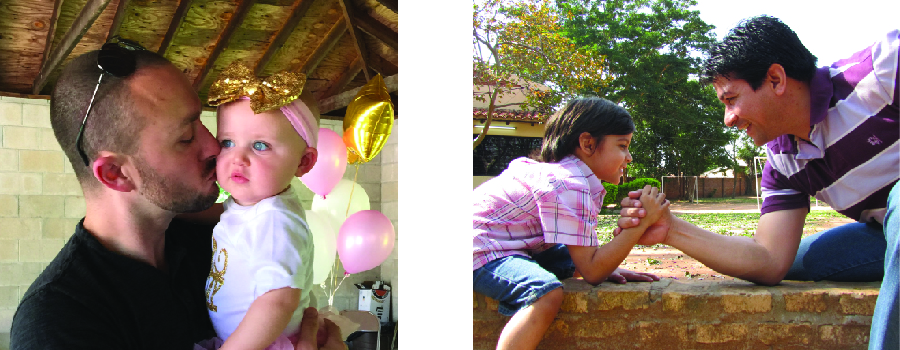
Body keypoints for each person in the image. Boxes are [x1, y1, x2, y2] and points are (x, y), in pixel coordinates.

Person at [9, 40, 344, 350]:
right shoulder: (59, 320)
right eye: (186, 137)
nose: (214, 146)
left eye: (203, 122)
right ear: (116, 173)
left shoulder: (219, 232)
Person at [615, 16, 898, 349]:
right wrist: (671, 229)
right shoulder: (782, 161)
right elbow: (768, 260)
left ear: (776, 79)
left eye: (731, 100)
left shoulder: (880, 71)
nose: (728, 119)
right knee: (797, 261)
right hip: (882, 232)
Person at [473, 97, 667, 350]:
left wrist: (606, 265)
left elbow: (585, 259)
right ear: (587, 143)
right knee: (544, 294)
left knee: (566, 258)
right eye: (622, 146)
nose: (629, 157)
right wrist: (641, 224)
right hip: (481, 249)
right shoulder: (570, 183)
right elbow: (592, 271)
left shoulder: (564, 175)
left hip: (510, 246)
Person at [196, 62, 319, 350]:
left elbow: (278, 300)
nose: (238, 158)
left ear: (304, 162)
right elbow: (221, 216)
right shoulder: (248, 208)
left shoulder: (275, 219)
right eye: (227, 142)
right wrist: (174, 211)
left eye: (260, 145)